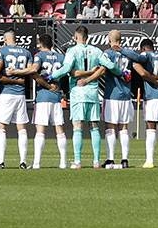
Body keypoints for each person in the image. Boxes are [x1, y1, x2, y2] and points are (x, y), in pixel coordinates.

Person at [45, 25, 117, 169]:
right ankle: (96, 161)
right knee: (94, 127)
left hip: (78, 92)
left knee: (77, 127)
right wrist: (120, 72)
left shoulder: (72, 50)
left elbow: (66, 69)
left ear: (76, 37)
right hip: (92, 93)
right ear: (87, 37)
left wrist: (51, 76)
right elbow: (110, 65)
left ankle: (77, 161)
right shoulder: (96, 51)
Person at [8, 34, 67, 169]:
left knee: (40, 130)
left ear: (41, 44)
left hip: (43, 96)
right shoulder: (60, 57)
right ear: (51, 44)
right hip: (56, 96)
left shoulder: (39, 56)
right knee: (60, 129)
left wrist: (16, 71)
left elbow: (33, 70)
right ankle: (63, 162)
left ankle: (36, 163)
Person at [0, 29, 33, 169]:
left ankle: (1, 162)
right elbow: (30, 70)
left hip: (6, 94)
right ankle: (23, 162)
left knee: (2, 127)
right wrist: (19, 77)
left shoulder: (1, 51)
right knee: (21, 128)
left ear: (5, 40)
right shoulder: (26, 52)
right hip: (20, 94)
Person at [121, 39, 158, 168]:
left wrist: (122, 49)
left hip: (152, 96)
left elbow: (137, 58)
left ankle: (149, 160)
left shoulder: (146, 55)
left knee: (150, 128)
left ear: (144, 48)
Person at [101, 30, 134, 169]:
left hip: (112, 94)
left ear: (109, 39)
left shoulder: (108, 53)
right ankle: (125, 159)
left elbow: (102, 66)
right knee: (124, 128)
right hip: (126, 95)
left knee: (111, 127)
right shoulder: (128, 54)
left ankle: (110, 159)